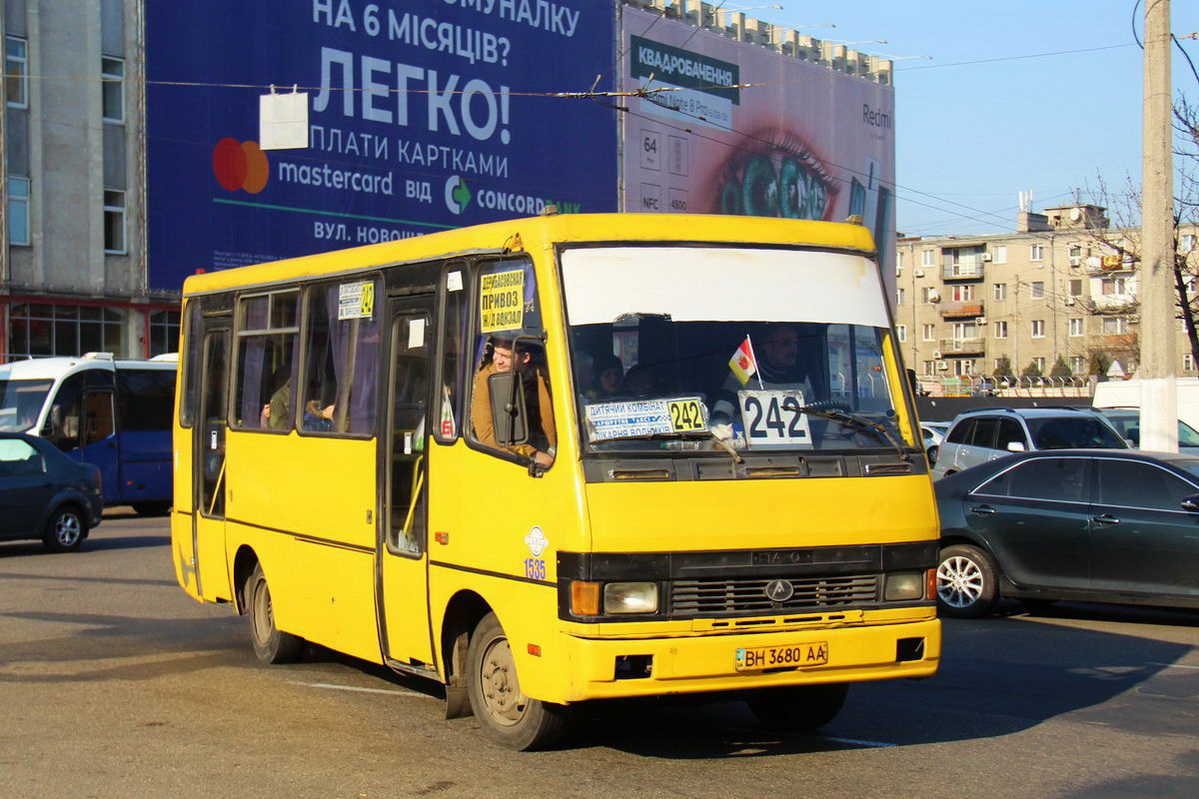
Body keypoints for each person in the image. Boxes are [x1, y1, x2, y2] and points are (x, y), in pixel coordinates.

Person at [470, 336, 555, 467]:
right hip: (515, 457)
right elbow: (486, 434)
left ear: (525, 358)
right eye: (496, 353)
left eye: (505, 356)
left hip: (551, 448)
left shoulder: (544, 373)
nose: (497, 361)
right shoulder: (486, 379)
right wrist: (533, 454)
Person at [711, 323, 815, 428]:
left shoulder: (801, 376)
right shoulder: (745, 371)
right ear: (768, 347)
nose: (793, 349)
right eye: (786, 343)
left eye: (795, 343)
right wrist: (720, 430)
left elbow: (814, 416)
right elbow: (723, 408)